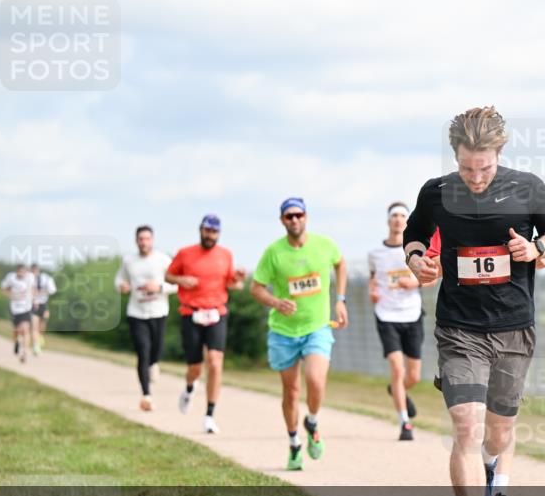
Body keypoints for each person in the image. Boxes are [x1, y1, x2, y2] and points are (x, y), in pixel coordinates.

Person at [404, 106, 545, 496]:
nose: (476, 177)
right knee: (466, 428)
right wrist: (418, 262)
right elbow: (414, 237)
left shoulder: (528, 187)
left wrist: (536, 249)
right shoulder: (435, 193)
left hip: (514, 325)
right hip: (459, 328)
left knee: (498, 432)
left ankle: (500, 481)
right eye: (466, 167)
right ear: (455, 156)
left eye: (485, 167)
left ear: (499, 154)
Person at [423, 228, 545, 496]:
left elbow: (544, 260)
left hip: (510, 331)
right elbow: (428, 274)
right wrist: (449, 262)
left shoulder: (513, 219)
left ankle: (494, 473)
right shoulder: (447, 224)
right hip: (462, 334)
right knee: (468, 424)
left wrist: (530, 251)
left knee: (501, 427)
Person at [250, 197, 348, 471]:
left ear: (306, 216)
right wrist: (276, 302)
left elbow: (341, 264)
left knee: (316, 381)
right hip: (283, 331)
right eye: (289, 216)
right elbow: (256, 288)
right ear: (282, 220)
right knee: (291, 392)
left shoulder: (324, 245)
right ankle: (294, 444)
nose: (295, 220)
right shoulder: (274, 253)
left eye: (299, 215)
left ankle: (313, 422)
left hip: (317, 327)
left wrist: (340, 299)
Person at [165, 214, 246, 433]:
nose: (210, 235)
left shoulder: (225, 255)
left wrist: (238, 278)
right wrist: (182, 280)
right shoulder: (185, 253)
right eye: (207, 230)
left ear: (218, 234)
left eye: (214, 232)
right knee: (195, 367)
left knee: (215, 360)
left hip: (217, 313)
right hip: (191, 313)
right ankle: (190, 388)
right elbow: (168, 276)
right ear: (200, 230)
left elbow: (232, 283)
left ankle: (210, 414)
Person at [368, 202, 424, 441]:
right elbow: (373, 280)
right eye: (394, 216)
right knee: (397, 368)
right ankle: (405, 423)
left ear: (407, 221)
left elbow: (429, 277)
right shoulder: (375, 254)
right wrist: (372, 291)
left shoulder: (416, 250)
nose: (398, 220)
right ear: (388, 221)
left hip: (412, 314)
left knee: (412, 376)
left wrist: (415, 282)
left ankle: (396, 389)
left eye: (403, 215)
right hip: (386, 315)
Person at [115, 225, 177, 411]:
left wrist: (158, 288)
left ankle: (155, 363)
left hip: (159, 311)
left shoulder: (163, 260)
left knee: (156, 349)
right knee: (143, 351)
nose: (144, 242)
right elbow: (118, 280)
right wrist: (121, 286)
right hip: (136, 312)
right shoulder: (129, 261)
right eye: (141, 239)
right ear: (136, 241)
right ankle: (146, 395)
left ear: (152, 240)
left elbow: (177, 285)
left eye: (147, 239)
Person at [0, 264, 36, 363]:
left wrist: (35, 300)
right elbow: (3, 290)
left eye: (23, 272)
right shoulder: (11, 278)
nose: (21, 274)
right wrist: (12, 294)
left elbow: (33, 289)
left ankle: (24, 353)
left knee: (25, 330)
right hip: (15, 309)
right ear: (17, 271)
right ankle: (16, 342)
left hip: (26, 308)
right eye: (19, 272)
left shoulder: (30, 278)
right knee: (17, 331)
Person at [30, 263, 57, 355]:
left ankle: (40, 336)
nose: (34, 272)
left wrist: (41, 292)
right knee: (34, 326)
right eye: (32, 270)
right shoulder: (28, 279)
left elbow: (53, 290)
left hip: (43, 304)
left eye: (35, 270)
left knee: (42, 326)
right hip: (32, 305)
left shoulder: (46, 278)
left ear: (38, 270)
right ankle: (35, 346)